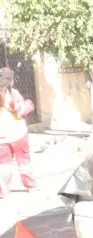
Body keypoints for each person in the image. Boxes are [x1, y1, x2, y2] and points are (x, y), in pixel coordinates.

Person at [0, 67, 36, 198]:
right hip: (19, 134)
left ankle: (3, 191)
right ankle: (30, 186)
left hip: (2, 138)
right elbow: (21, 110)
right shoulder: (14, 93)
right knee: (24, 162)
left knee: (4, 166)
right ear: (11, 81)